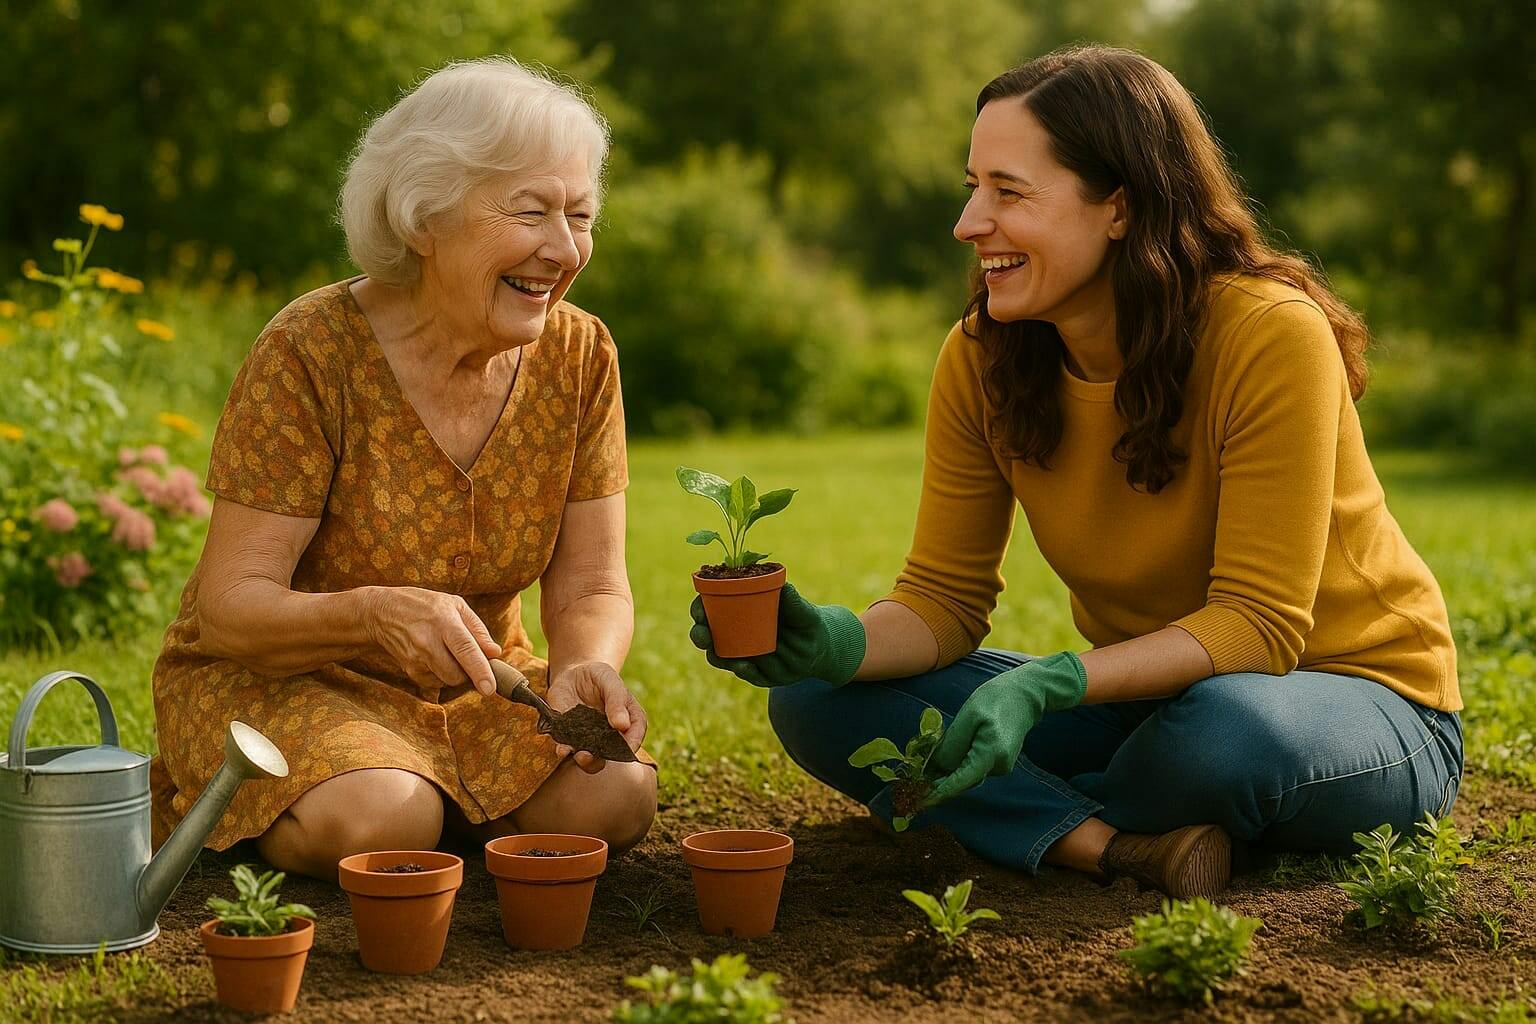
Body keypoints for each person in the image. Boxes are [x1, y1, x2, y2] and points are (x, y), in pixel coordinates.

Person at [690, 46, 1462, 900]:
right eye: (971, 186)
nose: (969, 222)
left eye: (1008, 192)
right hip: (1148, 701)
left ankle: (1029, 818)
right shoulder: (982, 355)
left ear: (1120, 206)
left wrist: (1052, 683)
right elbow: (943, 601)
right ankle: (1118, 848)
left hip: (1353, 702)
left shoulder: (1268, 334)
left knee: (1218, 737)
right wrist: (834, 643)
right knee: (817, 701)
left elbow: (1258, 627)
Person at [150, 58, 656, 881]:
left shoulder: (581, 354)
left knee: (614, 798)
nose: (564, 250)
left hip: (476, 683)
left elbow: (593, 586)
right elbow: (231, 609)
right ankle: (241, 806)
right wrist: (373, 614)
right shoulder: (310, 351)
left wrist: (582, 667)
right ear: (426, 215)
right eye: (532, 211)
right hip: (284, 679)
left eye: (582, 216)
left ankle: (436, 799)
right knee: (385, 817)